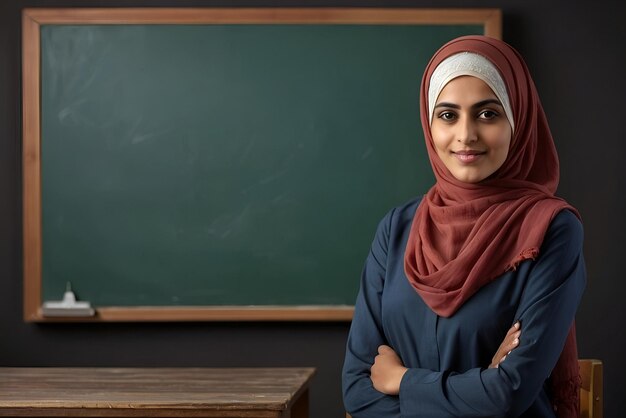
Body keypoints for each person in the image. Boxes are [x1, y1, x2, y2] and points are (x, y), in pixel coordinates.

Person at [342, 35, 586, 417]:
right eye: (447, 114)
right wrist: (478, 389)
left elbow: (509, 394)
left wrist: (401, 380)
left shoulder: (551, 229)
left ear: (517, 119)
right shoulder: (397, 229)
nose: (466, 135)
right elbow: (357, 391)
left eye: (488, 114)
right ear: (429, 123)